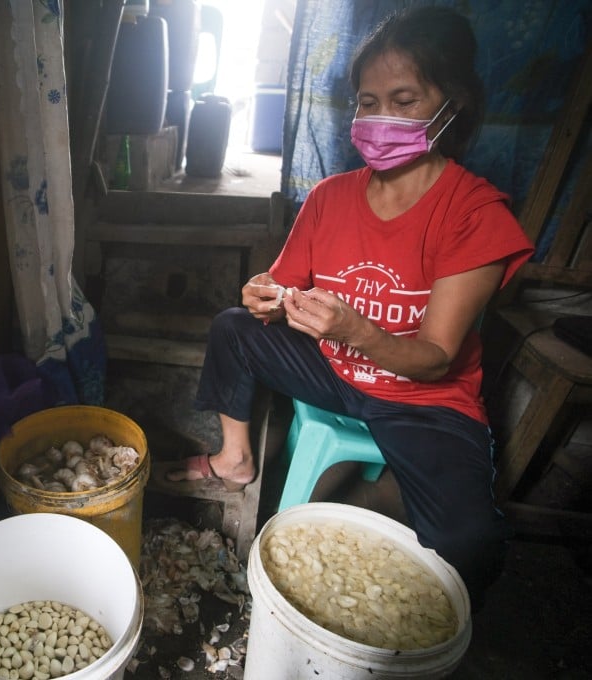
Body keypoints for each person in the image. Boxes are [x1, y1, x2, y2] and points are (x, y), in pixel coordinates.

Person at [162, 5, 534, 606]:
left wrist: (357, 329)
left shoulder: (475, 214)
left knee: (472, 548)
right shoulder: (331, 197)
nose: (380, 118)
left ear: (453, 103)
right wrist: (263, 294)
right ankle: (235, 460)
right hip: (333, 368)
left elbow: (437, 359)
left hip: (423, 400)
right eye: (368, 101)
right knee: (233, 328)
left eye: (405, 99)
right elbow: (279, 284)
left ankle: (379, 493)